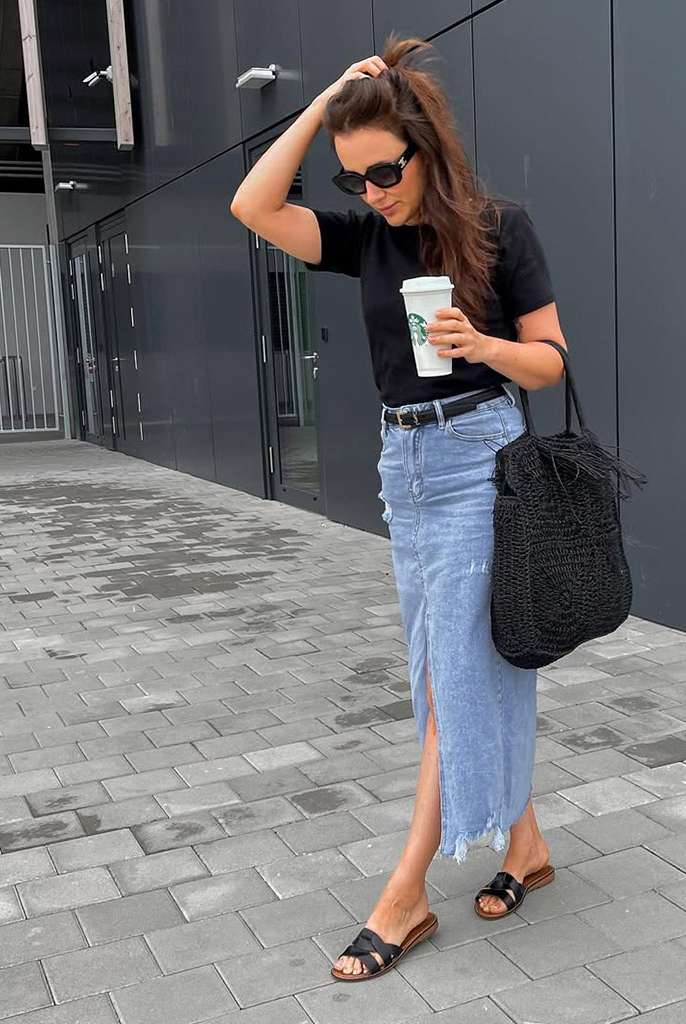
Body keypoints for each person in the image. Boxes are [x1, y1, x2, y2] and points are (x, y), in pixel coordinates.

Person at [231, 36, 568, 982]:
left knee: (451, 678)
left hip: (478, 456)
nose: (374, 191)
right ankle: (526, 845)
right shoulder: (365, 237)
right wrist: (326, 103)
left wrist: (483, 346)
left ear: (427, 150)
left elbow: (550, 359)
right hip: (405, 464)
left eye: (387, 171)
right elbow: (253, 205)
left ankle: (407, 892)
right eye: (355, 178)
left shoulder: (500, 229)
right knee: (448, 667)